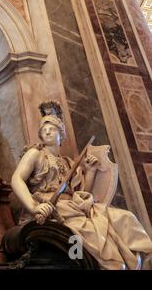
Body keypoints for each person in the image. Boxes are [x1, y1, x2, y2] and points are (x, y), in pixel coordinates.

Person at [11, 100, 152, 270]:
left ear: (61, 135)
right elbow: (16, 179)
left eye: (52, 129)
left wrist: (90, 171)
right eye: (44, 129)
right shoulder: (35, 154)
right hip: (51, 207)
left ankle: (140, 261)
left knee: (124, 217)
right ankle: (111, 262)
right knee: (88, 231)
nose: (47, 132)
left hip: (73, 206)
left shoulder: (69, 163)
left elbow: (81, 192)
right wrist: (33, 206)